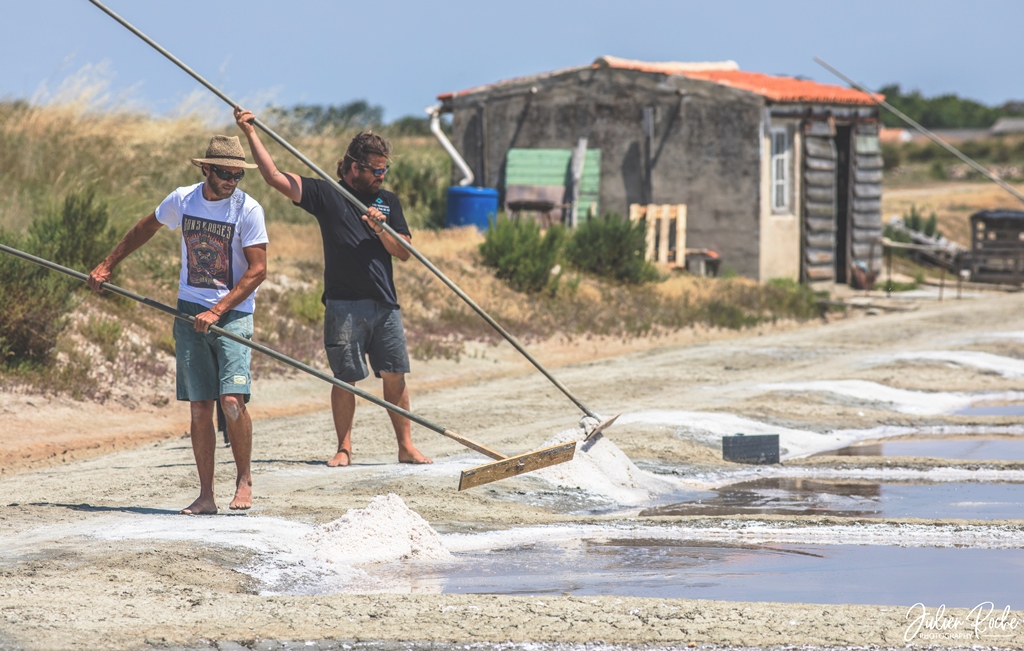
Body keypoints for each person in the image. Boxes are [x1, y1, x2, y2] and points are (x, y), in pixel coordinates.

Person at [234, 106, 431, 467]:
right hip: (342, 304)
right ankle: (344, 447)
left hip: (384, 303)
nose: (382, 176)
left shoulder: (388, 202)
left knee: (395, 374)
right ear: (355, 167)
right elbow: (275, 177)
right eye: (376, 170)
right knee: (345, 377)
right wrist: (251, 134)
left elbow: (404, 252)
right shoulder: (327, 194)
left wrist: (381, 229)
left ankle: (405, 445)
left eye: (385, 169)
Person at [88, 135, 269, 514]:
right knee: (200, 408)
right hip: (189, 313)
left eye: (238, 175)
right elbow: (144, 228)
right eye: (224, 173)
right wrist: (108, 264)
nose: (231, 181)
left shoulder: (248, 209)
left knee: (232, 401)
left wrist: (218, 310)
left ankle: (244, 479)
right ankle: (206, 496)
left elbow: (258, 271)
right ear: (206, 168)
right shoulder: (183, 199)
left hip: (232, 315)